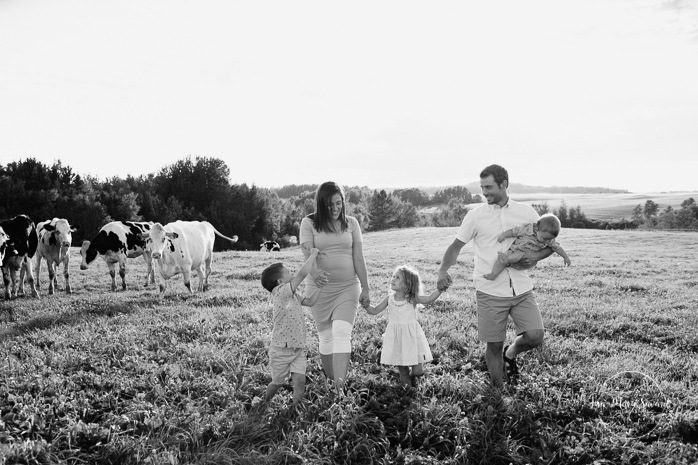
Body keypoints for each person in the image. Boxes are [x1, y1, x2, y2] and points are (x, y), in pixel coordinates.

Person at [437, 164, 553, 388]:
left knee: (535, 335)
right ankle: (498, 390)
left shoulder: (527, 213)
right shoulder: (475, 216)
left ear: (504, 185)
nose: (485, 192)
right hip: (489, 289)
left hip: (521, 288)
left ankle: (511, 353)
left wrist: (538, 257)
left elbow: (549, 243)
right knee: (493, 346)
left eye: (489, 187)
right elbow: (455, 247)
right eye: (482, 187)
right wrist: (443, 270)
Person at [300, 181, 370, 395]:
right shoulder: (309, 223)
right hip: (319, 289)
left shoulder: (352, 223)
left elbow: (358, 257)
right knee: (326, 337)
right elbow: (306, 254)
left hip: (348, 287)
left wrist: (366, 288)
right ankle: (332, 381)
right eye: (329, 205)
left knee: (341, 332)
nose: (335, 208)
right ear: (321, 205)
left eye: (338, 203)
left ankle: (340, 390)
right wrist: (315, 273)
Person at [260, 248, 326, 408]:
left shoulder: (292, 295)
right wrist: (312, 255)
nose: (292, 275)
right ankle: (263, 403)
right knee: (277, 383)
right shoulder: (281, 292)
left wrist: (320, 286)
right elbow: (302, 275)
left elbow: (310, 302)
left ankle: (295, 408)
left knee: (300, 381)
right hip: (281, 350)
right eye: (288, 272)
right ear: (280, 282)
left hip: (297, 348)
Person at [365, 265, 442, 387]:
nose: (393, 279)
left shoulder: (411, 298)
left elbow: (429, 299)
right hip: (397, 338)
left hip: (411, 337)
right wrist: (365, 305)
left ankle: (413, 377)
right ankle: (406, 390)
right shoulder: (389, 299)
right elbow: (374, 310)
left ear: (407, 285)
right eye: (393, 276)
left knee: (418, 371)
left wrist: (440, 289)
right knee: (403, 371)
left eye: (398, 278)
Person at [484, 213, 572, 280]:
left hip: (526, 258)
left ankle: (507, 260)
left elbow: (557, 248)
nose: (547, 241)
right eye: (544, 238)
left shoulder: (549, 240)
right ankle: (493, 274)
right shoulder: (527, 229)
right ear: (537, 229)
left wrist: (565, 257)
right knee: (502, 260)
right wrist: (503, 236)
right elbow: (514, 232)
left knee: (520, 254)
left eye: (550, 239)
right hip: (515, 249)